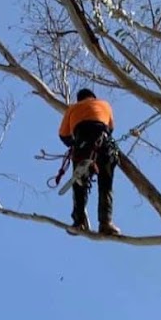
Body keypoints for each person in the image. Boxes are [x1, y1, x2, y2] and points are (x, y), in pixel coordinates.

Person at [58, 89, 120, 235]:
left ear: (79, 99)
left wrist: (74, 144)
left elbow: (63, 135)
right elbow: (111, 127)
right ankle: (106, 222)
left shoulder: (72, 108)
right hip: (103, 143)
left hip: (82, 145)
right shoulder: (104, 104)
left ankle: (79, 222)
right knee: (105, 183)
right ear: (93, 96)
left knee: (80, 185)